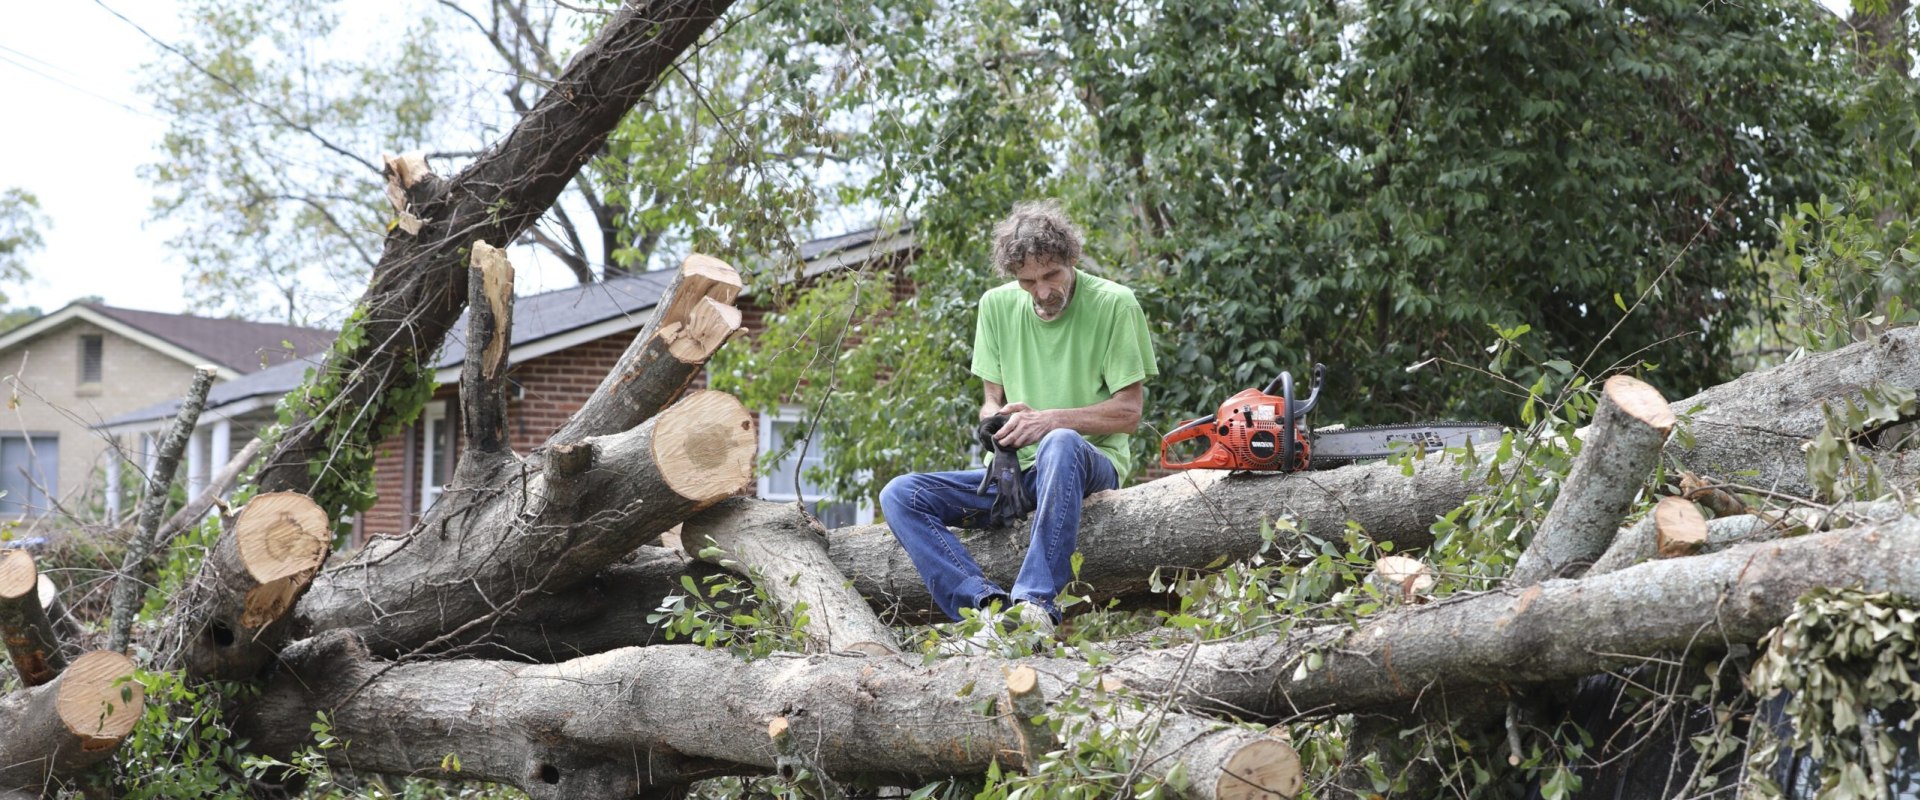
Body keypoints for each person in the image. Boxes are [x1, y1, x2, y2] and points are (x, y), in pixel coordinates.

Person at [879, 200, 1158, 635]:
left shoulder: (1115, 305)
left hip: (1086, 467)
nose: (1042, 292)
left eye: (1052, 276)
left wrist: (1049, 421)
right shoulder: (995, 307)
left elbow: (1128, 414)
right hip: (1017, 478)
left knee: (1060, 441)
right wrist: (997, 427)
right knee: (900, 495)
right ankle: (985, 608)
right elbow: (990, 400)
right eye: (1028, 281)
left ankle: (1035, 607)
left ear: (1072, 259)